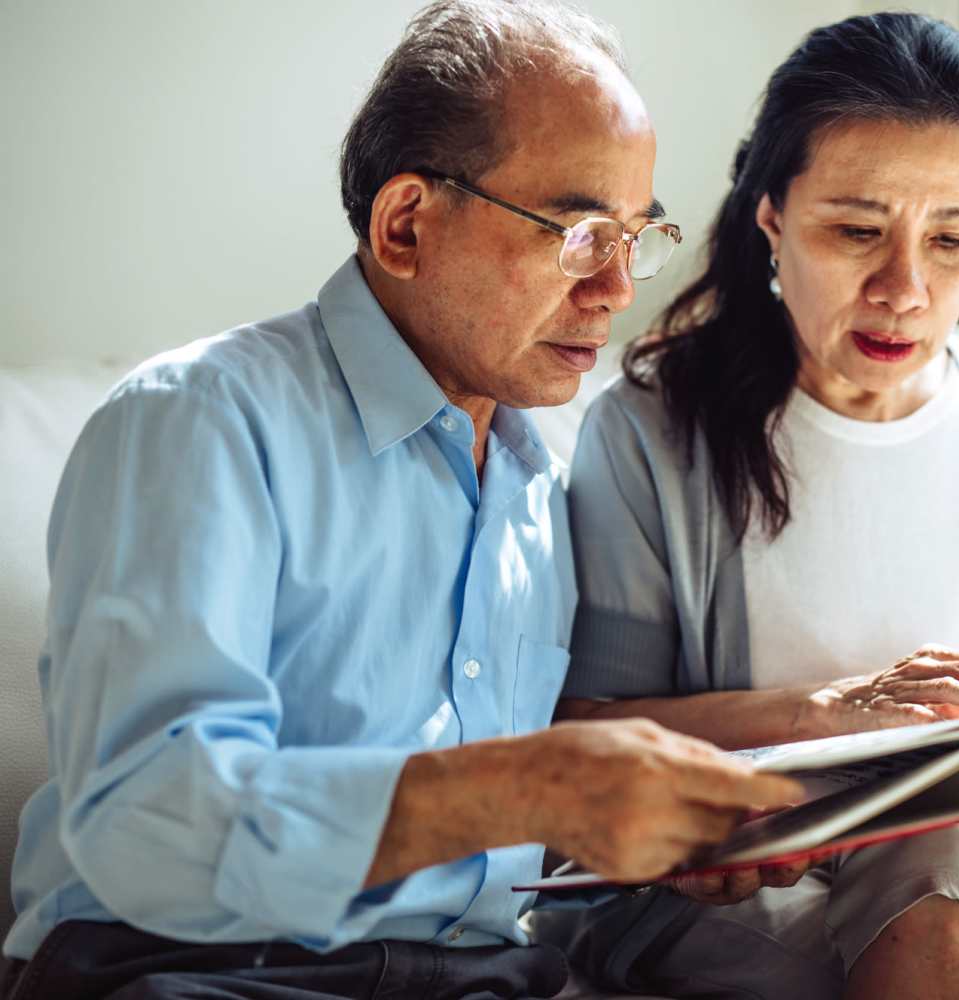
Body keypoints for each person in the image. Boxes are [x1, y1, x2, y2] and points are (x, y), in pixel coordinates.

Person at [0, 3, 801, 998]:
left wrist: (658, 842)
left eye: (635, 237)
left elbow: (485, 855)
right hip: (193, 972)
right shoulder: (200, 421)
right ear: (408, 223)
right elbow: (145, 826)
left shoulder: (530, 485)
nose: (616, 288)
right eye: (580, 232)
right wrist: (526, 785)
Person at [534, 12, 959, 1000]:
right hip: (725, 875)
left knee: (947, 854)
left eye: (953, 239)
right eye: (858, 231)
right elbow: (586, 724)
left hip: (956, 864)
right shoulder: (651, 430)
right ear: (771, 216)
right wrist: (816, 717)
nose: (905, 289)